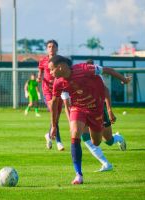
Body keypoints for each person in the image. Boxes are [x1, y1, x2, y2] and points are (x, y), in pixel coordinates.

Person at [48, 55, 131, 184]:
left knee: (97, 141)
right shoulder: (58, 83)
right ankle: (78, 175)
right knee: (75, 134)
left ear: (61, 67)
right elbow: (54, 103)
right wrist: (54, 125)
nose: (50, 73)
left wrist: (124, 80)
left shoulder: (85, 69)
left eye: (52, 69)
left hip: (96, 109)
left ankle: (117, 138)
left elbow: (107, 70)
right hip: (78, 108)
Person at [37, 40, 64, 151]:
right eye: (49, 46)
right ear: (47, 49)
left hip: (59, 90)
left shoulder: (61, 60)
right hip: (47, 91)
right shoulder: (43, 60)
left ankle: (49, 135)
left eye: (53, 46)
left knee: (56, 117)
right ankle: (58, 142)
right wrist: (39, 77)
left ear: (57, 48)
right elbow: (40, 72)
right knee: (54, 112)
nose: (51, 48)